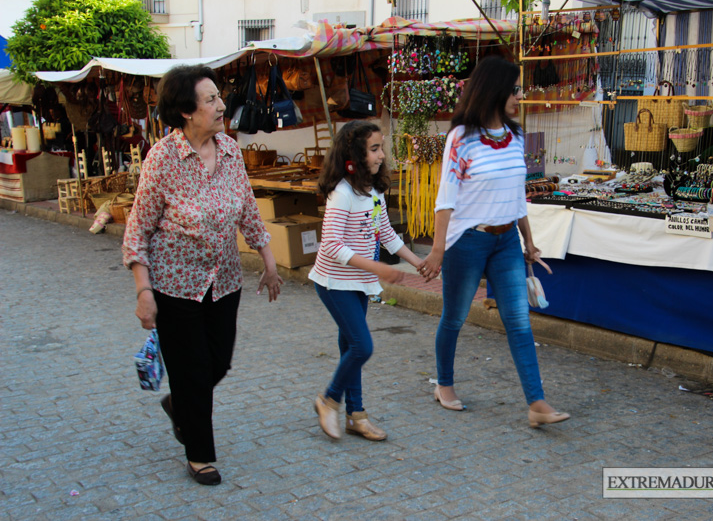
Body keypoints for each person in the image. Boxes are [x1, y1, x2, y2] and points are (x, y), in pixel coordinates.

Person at [122, 64, 283, 485]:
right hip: (174, 284)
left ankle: (180, 405)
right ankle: (199, 455)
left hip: (224, 281)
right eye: (210, 99)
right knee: (193, 370)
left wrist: (269, 261)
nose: (221, 105)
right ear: (186, 112)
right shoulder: (163, 160)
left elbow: (247, 208)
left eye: (218, 96)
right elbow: (137, 228)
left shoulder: (230, 151)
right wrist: (144, 291)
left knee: (218, 362)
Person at [418, 56, 569, 429]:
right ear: (495, 90)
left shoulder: (516, 136)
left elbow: (517, 196)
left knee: (519, 322)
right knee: (454, 318)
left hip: (505, 244)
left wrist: (529, 241)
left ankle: (537, 403)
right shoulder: (461, 138)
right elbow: (446, 199)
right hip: (467, 242)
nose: (521, 95)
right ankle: (445, 384)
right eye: (515, 89)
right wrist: (437, 251)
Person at [309, 120, 424, 441]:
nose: (382, 155)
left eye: (381, 148)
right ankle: (329, 399)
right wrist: (378, 269)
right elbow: (331, 245)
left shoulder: (372, 192)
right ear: (354, 155)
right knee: (361, 346)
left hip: (358, 282)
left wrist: (419, 262)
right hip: (334, 282)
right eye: (374, 149)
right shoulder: (342, 193)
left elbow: (385, 233)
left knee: (350, 344)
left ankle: (356, 415)